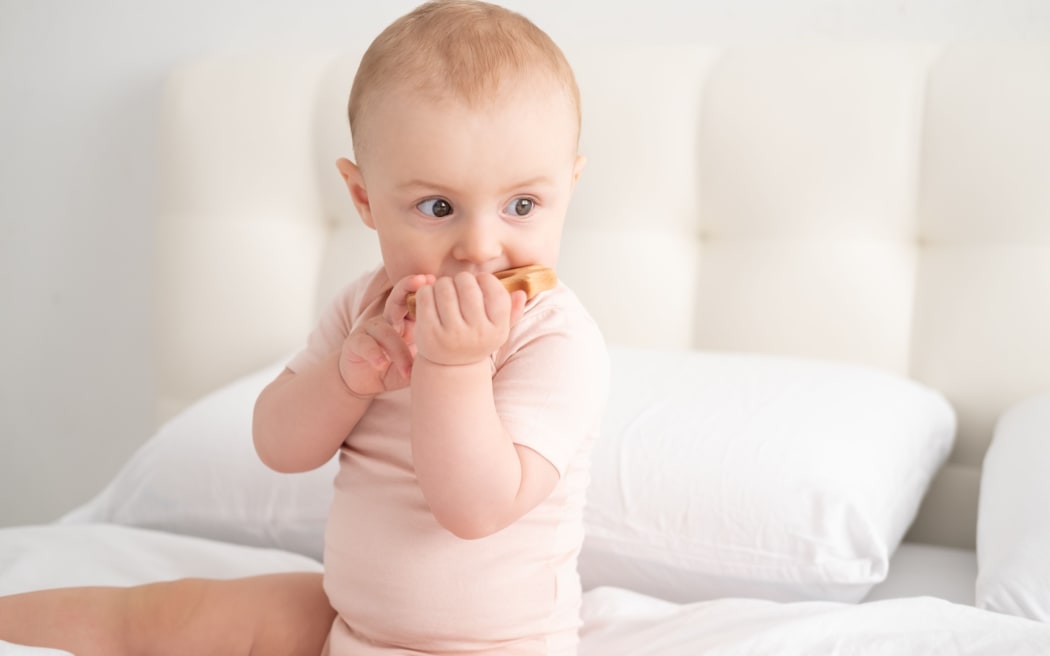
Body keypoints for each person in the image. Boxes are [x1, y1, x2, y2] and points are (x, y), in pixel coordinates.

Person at [0, 1, 608, 655]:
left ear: (568, 187)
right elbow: (279, 446)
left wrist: (454, 367)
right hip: (349, 622)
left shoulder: (555, 340)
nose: (480, 247)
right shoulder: (367, 307)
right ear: (365, 199)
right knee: (175, 612)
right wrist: (345, 379)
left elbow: (476, 509)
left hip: (491, 645)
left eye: (522, 204)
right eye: (438, 207)